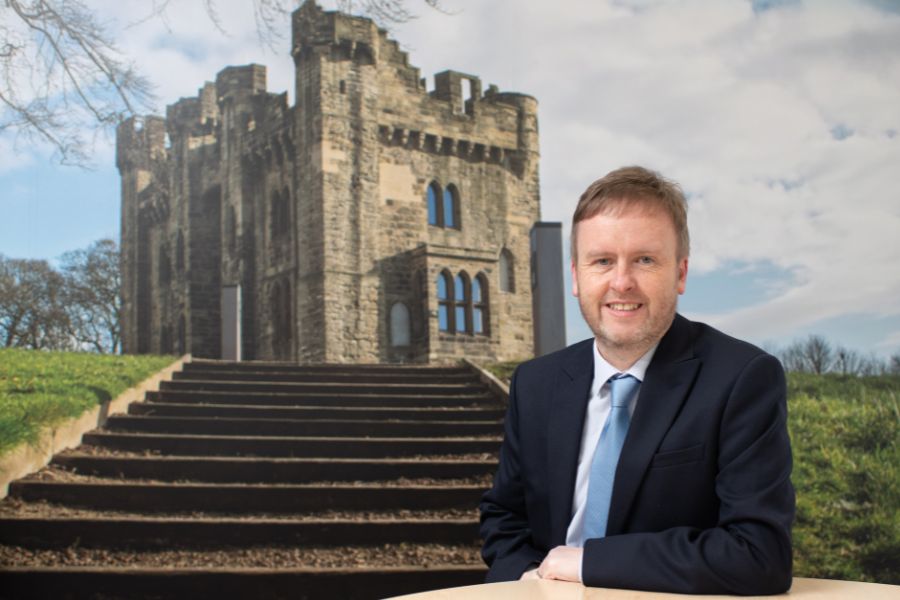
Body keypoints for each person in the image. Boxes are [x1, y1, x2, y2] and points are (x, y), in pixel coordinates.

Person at [479, 166, 794, 595]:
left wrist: (587, 564)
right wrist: (530, 579)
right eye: (602, 261)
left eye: (645, 260)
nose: (622, 282)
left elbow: (759, 554)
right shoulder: (535, 383)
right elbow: (504, 518)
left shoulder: (742, 379)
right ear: (576, 277)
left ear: (680, 274)